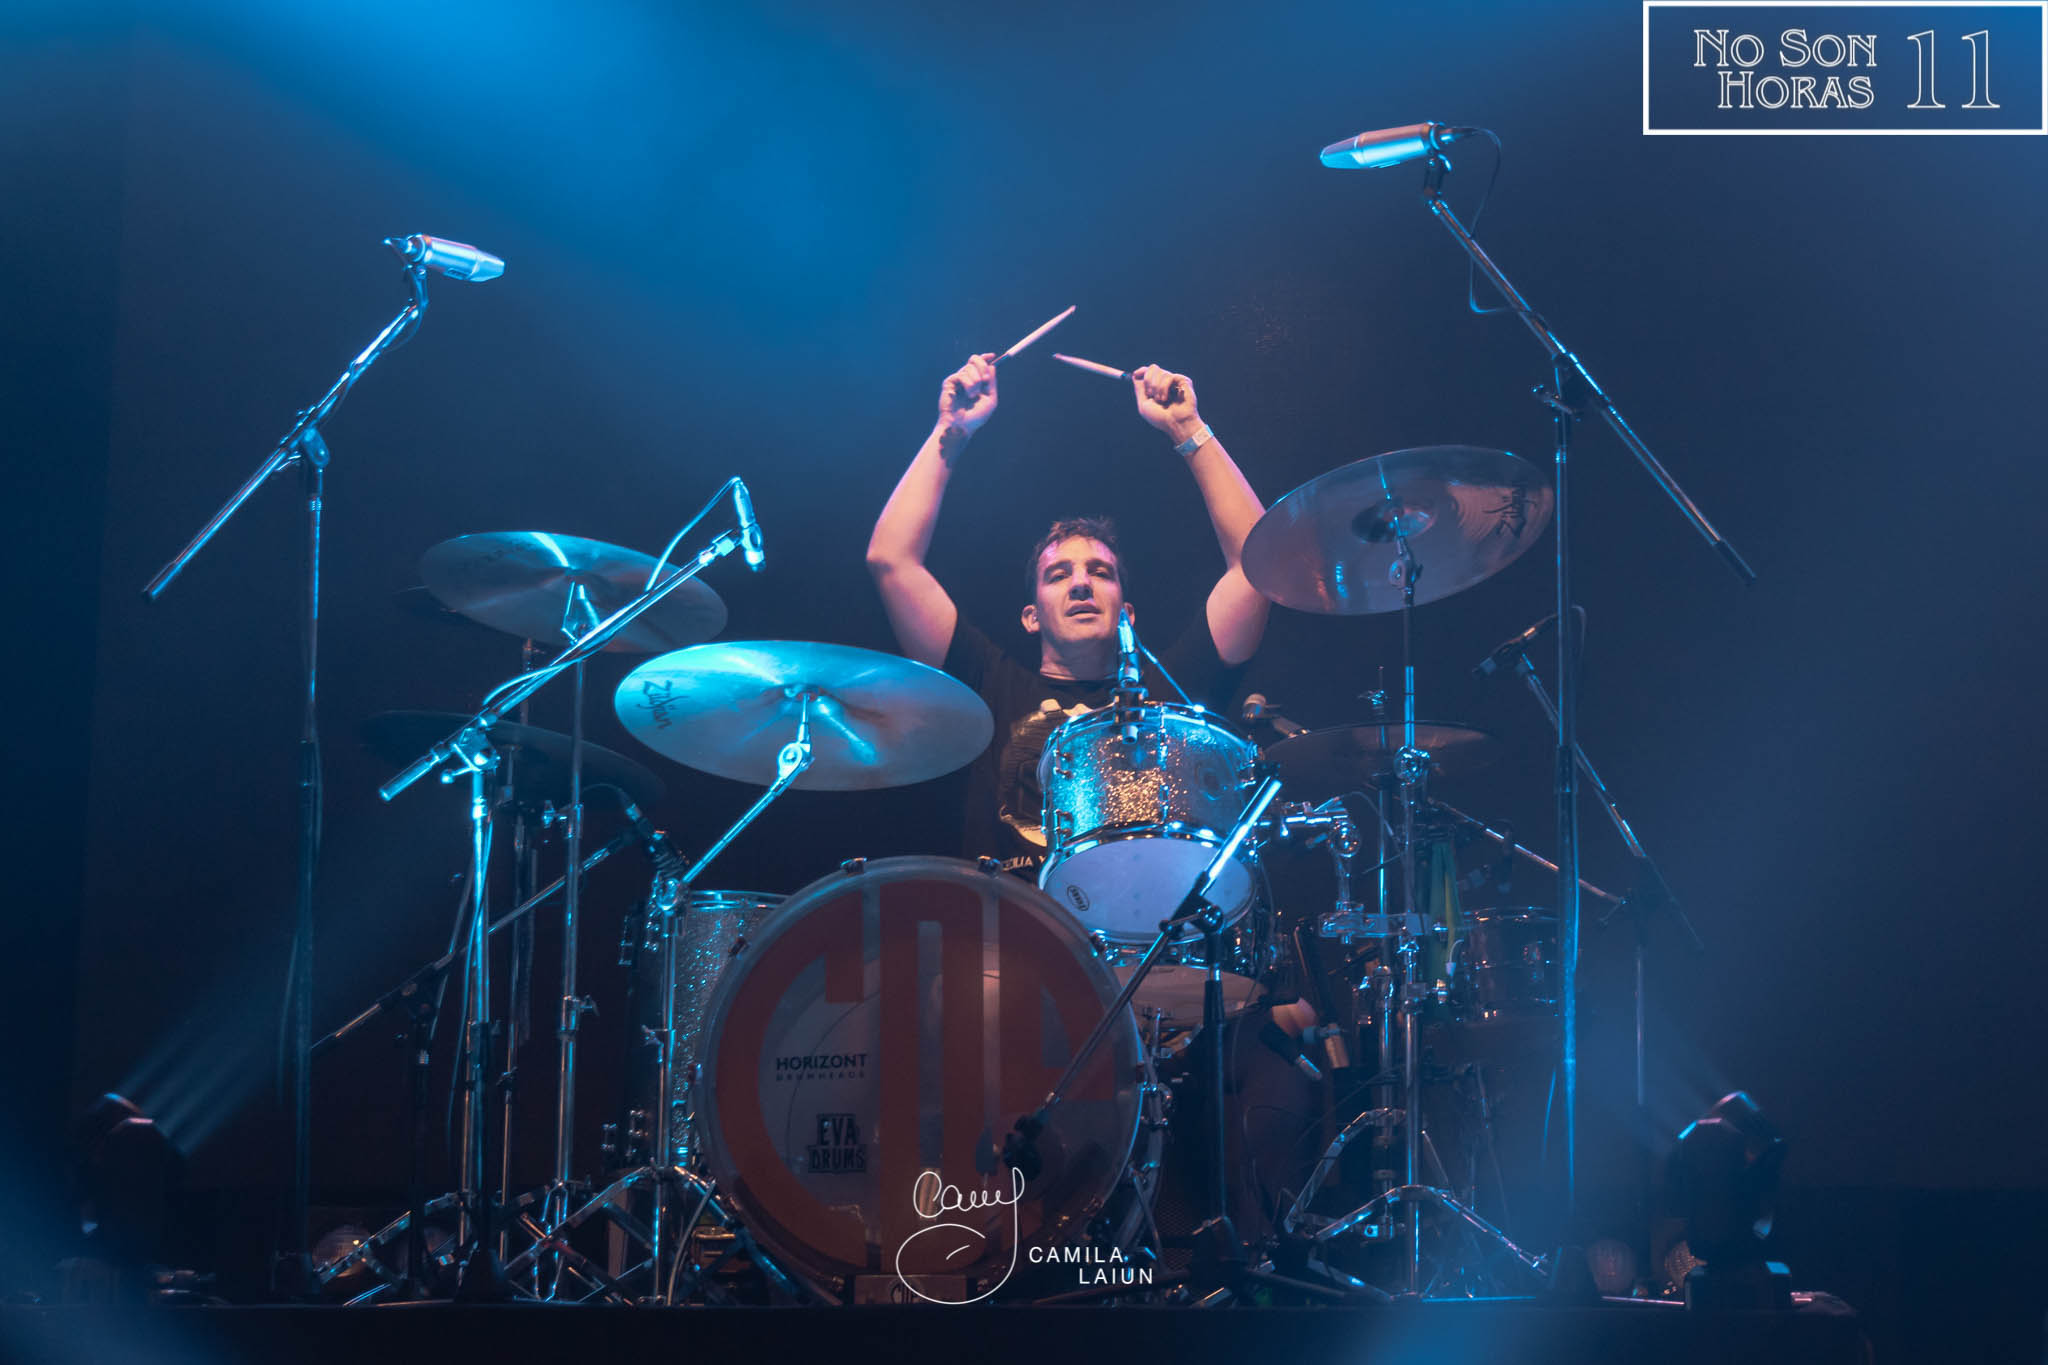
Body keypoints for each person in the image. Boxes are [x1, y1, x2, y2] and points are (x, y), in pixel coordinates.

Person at [866, 352, 1272, 869]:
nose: (1081, 583)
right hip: (1007, 920)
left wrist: (1187, 428)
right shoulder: (986, 685)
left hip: (1142, 919)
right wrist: (952, 429)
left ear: (1126, 613)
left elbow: (1258, 567)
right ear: (1031, 616)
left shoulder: (1169, 695)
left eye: (1100, 572)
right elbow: (891, 560)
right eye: (1059, 575)